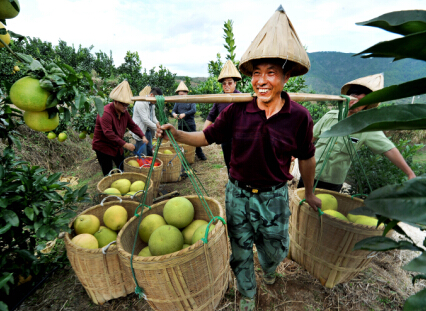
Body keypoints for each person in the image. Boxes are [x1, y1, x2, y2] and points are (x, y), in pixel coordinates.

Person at [157, 7, 321, 311]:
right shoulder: (236, 110)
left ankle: (270, 269)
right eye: (257, 73)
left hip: (273, 197)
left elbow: (307, 158)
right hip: (238, 194)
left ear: (286, 76)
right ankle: (247, 292)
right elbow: (206, 137)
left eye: (271, 72)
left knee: (275, 249)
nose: (261, 80)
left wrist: (309, 192)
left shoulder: (299, 117)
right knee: (241, 250)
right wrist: (176, 135)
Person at [297, 73, 416, 192]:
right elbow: (310, 138)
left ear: (367, 105)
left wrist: (409, 173)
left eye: (361, 102)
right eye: (353, 99)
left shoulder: (366, 126)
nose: (355, 104)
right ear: (347, 98)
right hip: (309, 175)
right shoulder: (330, 116)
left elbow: (388, 149)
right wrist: (294, 153)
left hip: (332, 182)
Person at [92, 80, 148, 176]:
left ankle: (121, 184)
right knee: (108, 172)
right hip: (103, 147)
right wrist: (125, 144)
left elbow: (132, 125)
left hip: (116, 146)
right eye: (124, 105)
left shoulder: (124, 112)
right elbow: (108, 133)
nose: (126, 107)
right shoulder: (106, 113)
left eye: (127, 105)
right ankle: (108, 189)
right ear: (116, 102)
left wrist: (142, 136)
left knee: (122, 168)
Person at [202, 60, 241, 173]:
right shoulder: (219, 99)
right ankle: (231, 181)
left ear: (235, 83)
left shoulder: (242, 98)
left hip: (240, 137)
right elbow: (211, 116)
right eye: (224, 83)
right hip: (226, 137)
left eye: (229, 83)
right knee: (228, 162)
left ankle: (239, 183)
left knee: (240, 162)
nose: (227, 86)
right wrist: (204, 133)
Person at [172, 81, 207, 160]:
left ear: (186, 93)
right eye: (179, 94)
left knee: (195, 140)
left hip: (190, 124)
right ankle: (184, 156)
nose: (180, 96)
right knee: (181, 140)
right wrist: (174, 114)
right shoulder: (177, 102)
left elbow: (193, 110)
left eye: (182, 94)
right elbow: (173, 110)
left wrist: (184, 114)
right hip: (181, 124)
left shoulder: (191, 100)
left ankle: (200, 154)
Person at [132, 87, 162, 156]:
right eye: (156, 99)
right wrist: (157, 128)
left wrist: (157, 123)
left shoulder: (152, 104)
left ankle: (149, 165)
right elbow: (145, 120)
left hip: (148, 131)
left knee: (149, 150)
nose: (156, 102)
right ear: (151, 95)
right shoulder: (140, 102)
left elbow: (153, 117)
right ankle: (143, 165)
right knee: (143, 153)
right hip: (140, 130)